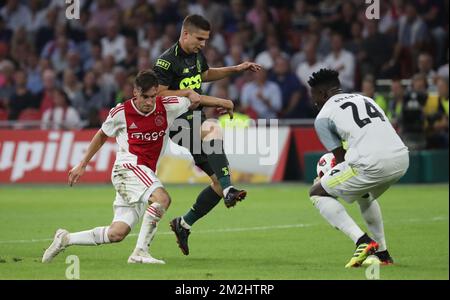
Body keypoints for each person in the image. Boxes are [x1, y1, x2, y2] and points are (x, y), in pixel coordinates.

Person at [41, 70, 234, 264]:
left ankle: (65, 238)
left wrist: (222, 102)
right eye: (144, 97)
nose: (149, 102)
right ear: (135, 92)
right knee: (162, 199)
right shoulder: (120, 112)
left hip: (143, 175)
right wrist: (82, 165)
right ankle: (140, 252)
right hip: (128, 168)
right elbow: (101, 135)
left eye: (152, 97)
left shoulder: (167, 106)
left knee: (117, 233)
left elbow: (196, 98)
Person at [152, 14, 261, 256]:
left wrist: (235, 68)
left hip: (195, 122)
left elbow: (205, 74)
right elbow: (156, 94)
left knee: (217, 184)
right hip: (177, 125)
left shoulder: (196, 56)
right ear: (186, 34)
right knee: (214, 127)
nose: (203, 44)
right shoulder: (166, 62)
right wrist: (189, 93)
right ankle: (230, 187)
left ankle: (184, 224)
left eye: (206, 39)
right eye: (200, 38)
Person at [307, 69, 409, 268]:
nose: (315, 102)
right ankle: (383, 254)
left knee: (317, 192)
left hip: (371, 164)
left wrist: (327, 176)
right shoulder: (366, 99)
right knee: (364, 195)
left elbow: (341, 159)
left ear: (324, 93)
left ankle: (362, 242)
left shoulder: (323, 116)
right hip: (401, 159)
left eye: (315, 96)